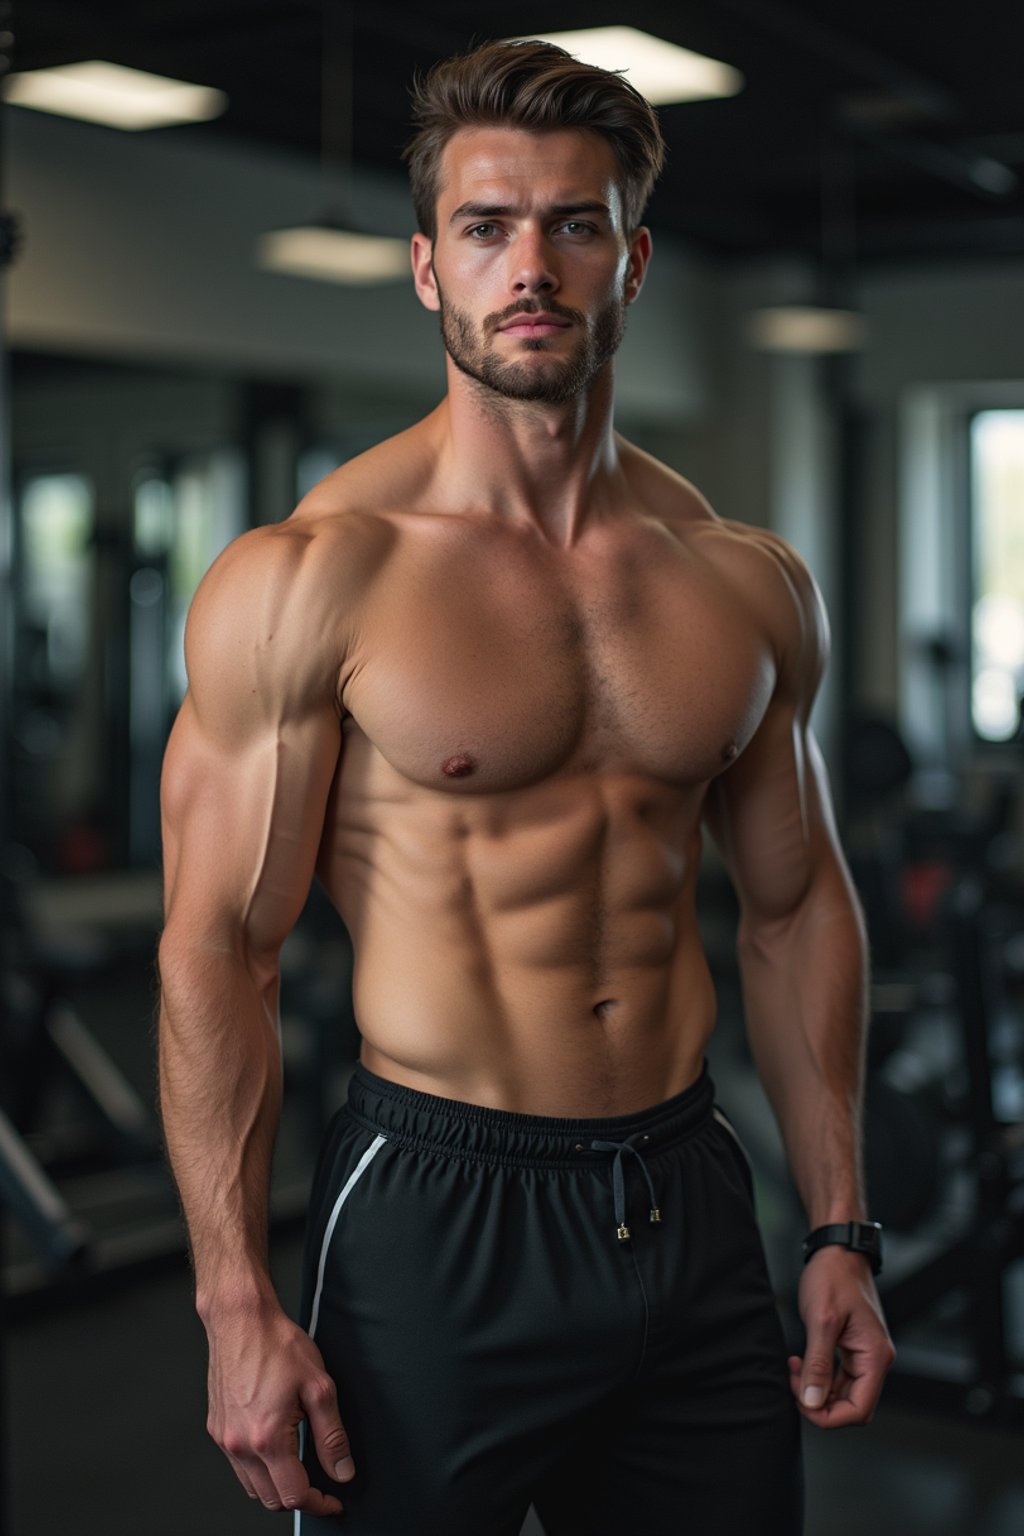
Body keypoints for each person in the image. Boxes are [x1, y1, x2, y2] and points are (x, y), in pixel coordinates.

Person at [157, 37, 894, 1536]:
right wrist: (234, 1298)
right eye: (488, 227)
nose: (532, 265)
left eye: (575, 222)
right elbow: (215, 947)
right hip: (442, 1205)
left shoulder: (744, 583)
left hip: (690, 1194)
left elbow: (797, 907)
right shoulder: (313, 577)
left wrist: (838, 1226)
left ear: (633, 258)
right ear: (428, 268)